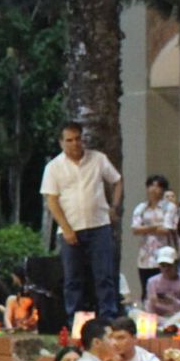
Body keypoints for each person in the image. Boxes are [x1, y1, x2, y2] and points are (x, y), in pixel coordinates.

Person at [41, 121, 124, 321]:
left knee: (104, 275)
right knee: (73, 278)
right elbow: (51, 200)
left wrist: (114, 206)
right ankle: (75, 320)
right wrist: (66, 228)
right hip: (71, 228)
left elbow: (117, 180)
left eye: (78, 139)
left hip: (99, 225)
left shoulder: (98, 159)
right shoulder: (54, 167)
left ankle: (108, 317)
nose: (75, 144)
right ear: (61, 143)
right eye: (69, 140)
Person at [132, 174, 180, 295]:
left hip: (163, 254)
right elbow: (135, 229)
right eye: (151, 185)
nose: (154, 189)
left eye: (158, 186)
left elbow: (166, 229)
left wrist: (145, 228)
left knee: (164, 290)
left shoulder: (169, 207)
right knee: (146, 290)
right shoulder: (141, 208)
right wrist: (154, 226)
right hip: (145, 256)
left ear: (163, 189)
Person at [143, 248, 180, 323]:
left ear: (176, 264)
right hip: (158, 318)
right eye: (162, 265)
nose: (166, 269)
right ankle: (166, 325)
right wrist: (151, 302)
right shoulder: (152, 281)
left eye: (169, 265)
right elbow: (149, 311)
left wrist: (173, 301)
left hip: (179, 317)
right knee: (134, 312)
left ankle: (167, 325)